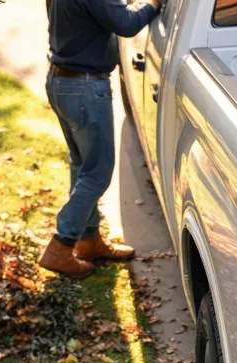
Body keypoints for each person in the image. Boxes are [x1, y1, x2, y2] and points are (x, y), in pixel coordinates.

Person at [39, 0, 161, 276]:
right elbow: (126, 24)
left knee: (82, 165)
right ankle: (61, 244)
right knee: (97, 172)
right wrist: (154, 4)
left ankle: (88, 239)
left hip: (61, 81)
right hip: (84, 87)